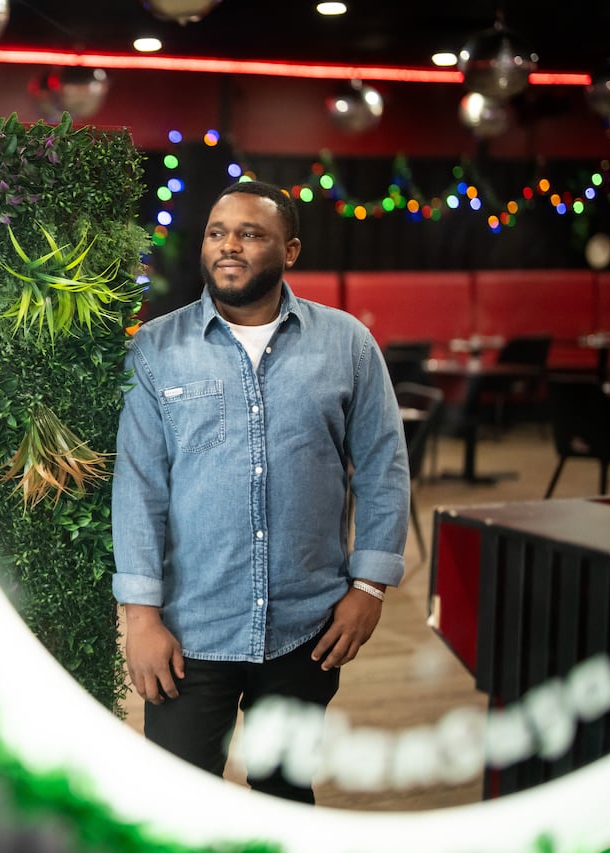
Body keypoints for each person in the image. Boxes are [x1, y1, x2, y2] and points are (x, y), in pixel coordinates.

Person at [111, 180, 410, 803]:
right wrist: (139, 616)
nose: (230, 246)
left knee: (285, 800)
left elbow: (384, 468)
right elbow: (138, 488)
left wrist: (369, 586)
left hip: (308, 628)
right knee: (179, 809)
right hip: (188, 633)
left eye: (251, 234)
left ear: (290, 250)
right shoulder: (155, 350)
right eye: (218, 233)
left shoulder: (348, 345)